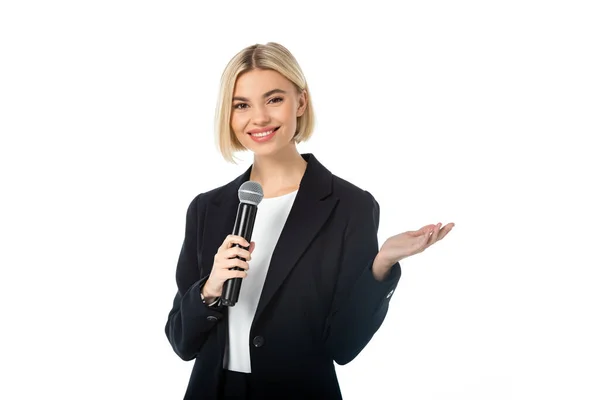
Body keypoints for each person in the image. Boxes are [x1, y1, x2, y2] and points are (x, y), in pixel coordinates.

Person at [164, 42, 454, 400]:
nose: (259, 118)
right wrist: (210, 288)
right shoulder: (207, 208)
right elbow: (181, 341)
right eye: (242, 105)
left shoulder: (349, 206)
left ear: (300, 102)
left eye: (274, 100)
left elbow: (343, 346)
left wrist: (381, 265)